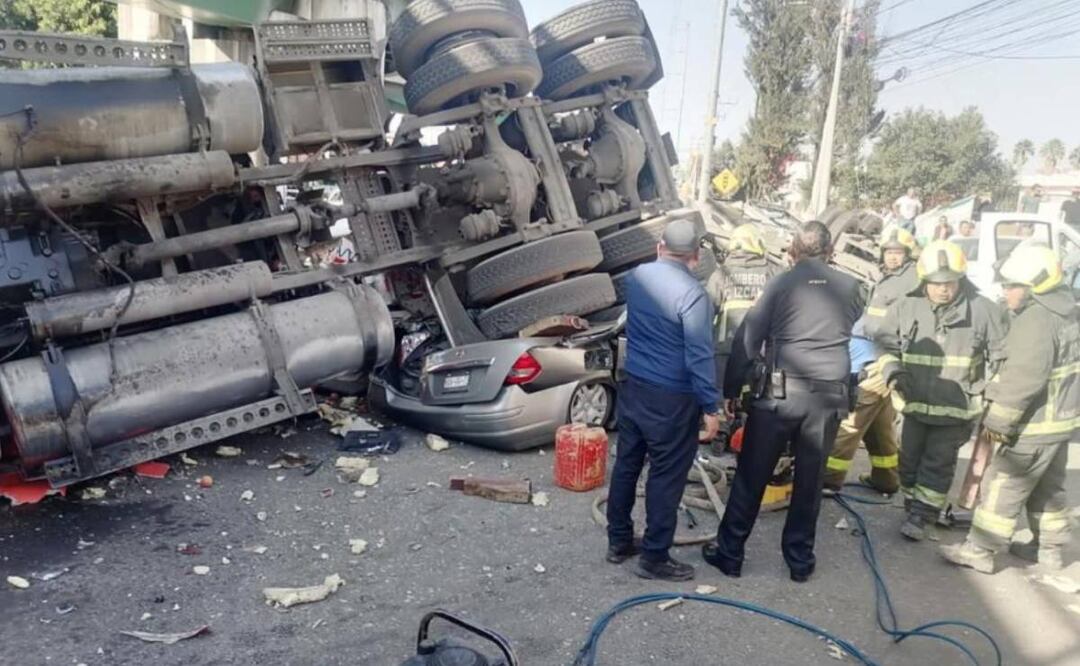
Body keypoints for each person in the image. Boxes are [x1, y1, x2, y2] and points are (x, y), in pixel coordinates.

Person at [702, 222, 863, 582]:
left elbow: (748, 338)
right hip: (829, 397)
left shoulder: (781, 283)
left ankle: (730, 555)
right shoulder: (852, 287)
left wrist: (732, 390)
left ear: (793, 251)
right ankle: (799, 561)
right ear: (830, 252)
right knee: (810, 480)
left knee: (751, 474)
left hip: (780, 394)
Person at [941, 246, 1077, 573]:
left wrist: (997, 426)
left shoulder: (1036, 321)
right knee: (1047, 488)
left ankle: (980, 549)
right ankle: (1048, 550)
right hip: (1059, 424)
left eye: (1011, 286)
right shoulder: (1067, 312)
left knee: (1003, 484)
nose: (1005, 292)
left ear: (1034, 287)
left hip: (1031, 426)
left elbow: (1023, 381)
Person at [606, 218, 721, 582]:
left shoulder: (636, 278)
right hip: (672, 398)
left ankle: (618, 541)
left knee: (627, 465)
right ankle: (654, 557)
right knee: (666, 476)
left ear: (659, 247)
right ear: (696, 256)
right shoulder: (694, 295)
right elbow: (699, 355)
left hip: (634, 387)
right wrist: (711, 407)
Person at [873, 240, 1009, 541]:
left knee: (937, 463)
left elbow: (1003, 358)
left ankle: (923, 514)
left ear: (961, 279)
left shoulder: (984, 310)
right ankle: (913, 504)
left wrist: (994, 397)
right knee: (908, 461)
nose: (944, 289)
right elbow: (884, 343)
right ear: (924, 281)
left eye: (950, 283)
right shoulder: (906, 306)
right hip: (913, 405)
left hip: (955, 410)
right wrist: (893, 370)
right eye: (936, 284)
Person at [824, 225, 919, 493]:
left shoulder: (909, 282)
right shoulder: (891, 279)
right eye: (889, 251)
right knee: (880, 426)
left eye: (898, 252)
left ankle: (828, 478)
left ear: (908, 254)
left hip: (880, 360)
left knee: (851, 421)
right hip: (879, 356)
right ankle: (886, 478)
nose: (892, 257)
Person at [706, 224, 780, 398]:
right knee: (757, 401)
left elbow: (706, 315)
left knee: (723, 400)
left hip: (725, 352)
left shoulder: (720, 275)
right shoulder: (772, 273)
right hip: (760, 353)